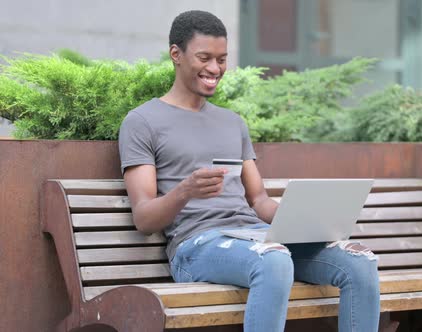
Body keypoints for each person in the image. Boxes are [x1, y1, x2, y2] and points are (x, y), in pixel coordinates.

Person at [118, 10, 380, 332]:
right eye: (204, 58)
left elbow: (258, 200)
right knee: (272, 259)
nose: (215, 69)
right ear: (176, 54)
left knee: (359, 261)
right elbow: (144, 218)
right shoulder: (143, 122)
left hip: (256, 238)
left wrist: (305, 220)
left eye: (222, 59)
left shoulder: (232, 122)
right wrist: (185, 190)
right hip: (195, 246)